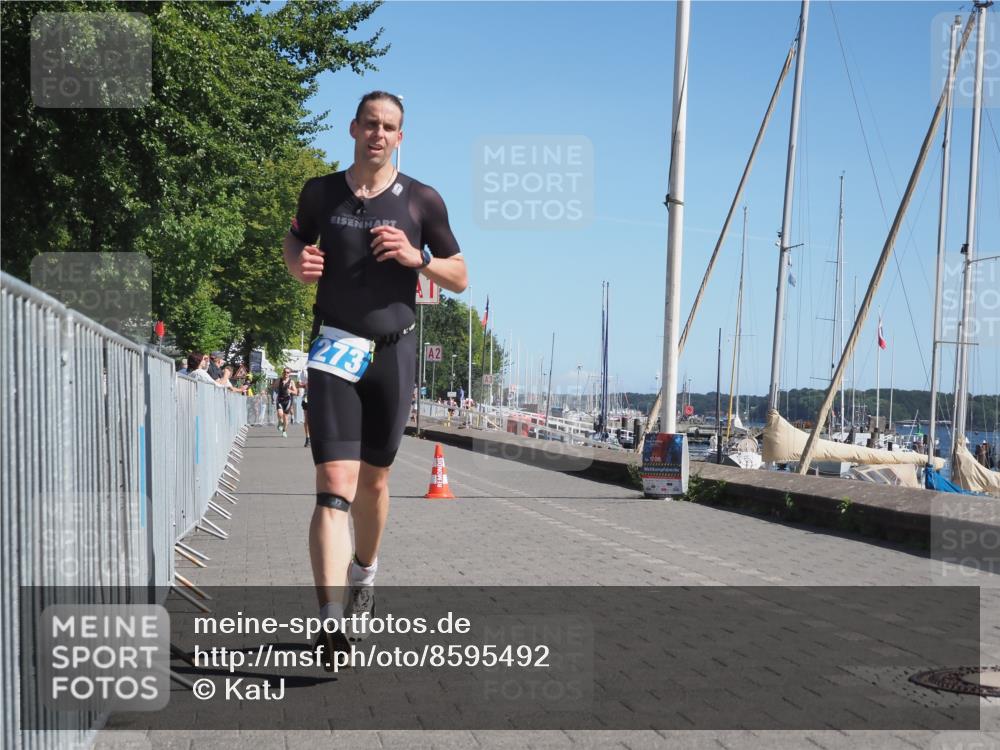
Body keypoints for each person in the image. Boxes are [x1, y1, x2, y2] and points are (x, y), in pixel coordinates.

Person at [283, 91, 467, 664]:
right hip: (334, 348)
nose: (378, 134)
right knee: (334, 483)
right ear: (353, 127)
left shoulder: (421, 200)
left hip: (393, 353)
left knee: (375, 483)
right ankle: (331, 621)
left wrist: (420, 260)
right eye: (370, 124)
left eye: (389, 127)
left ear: (400, 136)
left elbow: (460, 275)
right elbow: (295, 237)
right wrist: (296, 261)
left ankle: (365, 572)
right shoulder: (321, 192)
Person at [273, 367, 297, 437]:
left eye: (287, 372)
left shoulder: (291, 382)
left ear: (289, 374)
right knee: (280, 413)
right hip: (280, 399)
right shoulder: (279, 380)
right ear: (282, 372)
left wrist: (291, 391)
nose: (286, 373)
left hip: (288, 400)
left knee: (285, 416)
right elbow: (274, 387)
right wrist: (273, 396)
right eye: (284, 372)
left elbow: (296, 392)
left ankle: (284, 431)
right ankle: (280, 422)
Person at [300, 368, 311, 447]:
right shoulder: (304, 371)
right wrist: (305, 385)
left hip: (318, 399)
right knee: (306, 419)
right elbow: (299, 383)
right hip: (307, 398)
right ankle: (307, 438)